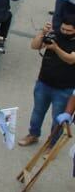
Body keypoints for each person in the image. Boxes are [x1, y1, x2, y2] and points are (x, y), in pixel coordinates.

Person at [18, 15, 75, 147]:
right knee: (37, 113)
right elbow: (34, 45)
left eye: (69, 31)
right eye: (63, 29)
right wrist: (43, 33)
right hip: (43, 83)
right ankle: (33, 134)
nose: (64, 32)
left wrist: (56, 49)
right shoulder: (54, 35)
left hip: (64, 89)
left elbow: (71, 59)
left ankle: (52, 144)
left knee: (58, 120)